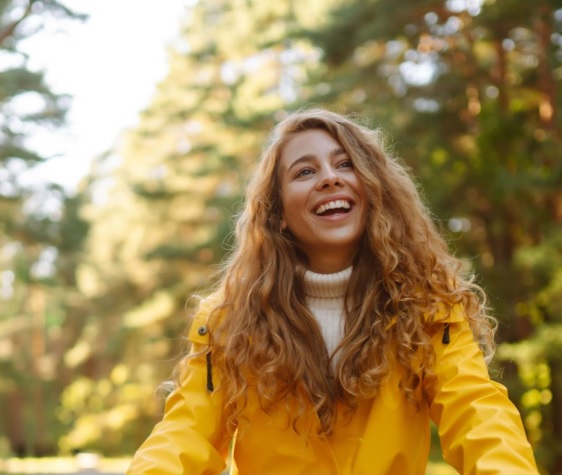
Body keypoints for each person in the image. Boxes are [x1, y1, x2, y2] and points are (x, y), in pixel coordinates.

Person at [126, 109, 539, 474]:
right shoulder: (228, 320)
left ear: (373, 190)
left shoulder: (429, 306)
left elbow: (477, 414)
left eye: (345, 164)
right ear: (278, 213)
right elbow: (185, 434)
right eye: (305, 172)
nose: (330, 178)